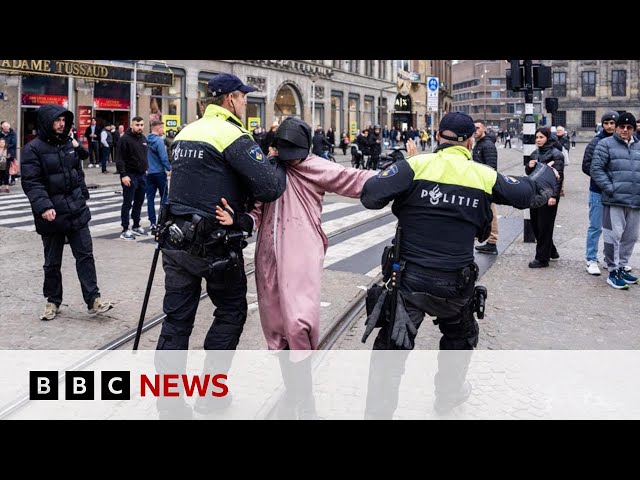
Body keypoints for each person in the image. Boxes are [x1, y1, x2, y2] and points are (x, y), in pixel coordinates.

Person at [360, 112, 558, 352]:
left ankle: (384, 389)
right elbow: (531, 193)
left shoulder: (415, 166)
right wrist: (548, 172)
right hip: (455, 283)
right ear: (470, 142)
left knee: (389, 355)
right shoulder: (483, 175)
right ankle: (450, 390)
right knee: (459, 345)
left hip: (409, 280)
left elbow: (370, 196)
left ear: (437, 136)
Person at [216, 117, 376, 351]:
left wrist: (397, 174)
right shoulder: (268, 170)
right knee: (273, 319)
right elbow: (256, 212)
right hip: (268, 254)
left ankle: (301, 376)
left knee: (299, 320)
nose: (293, 160)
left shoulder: (316, 166)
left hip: (301, 251)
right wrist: (237, 220)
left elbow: (352, 178)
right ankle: (289, 374)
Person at [156, 72, 287, 352]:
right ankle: (212, 393)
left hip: (175, 240)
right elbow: (270, 188)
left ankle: (169, 395)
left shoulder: (186, 132)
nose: (245, 102)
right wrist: (274, 162)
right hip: (215, 244)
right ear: (231, 99)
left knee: (176, 321)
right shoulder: (232, 134)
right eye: (243, 97)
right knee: (231, 311)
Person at [20, 104, 113, 321]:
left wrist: (83, 195)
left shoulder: (68, 144)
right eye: (57, 120)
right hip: (51, 215)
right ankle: (53, 301)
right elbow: (32, 182)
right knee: (52, 262)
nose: (61, 124)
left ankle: (93, 299)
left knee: (85, 256)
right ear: (46, 121)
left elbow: (76, 172)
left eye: (64, 120)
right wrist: (44, 206)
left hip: (76, 211)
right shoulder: (32, 149)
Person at [590, 112, 640, 290]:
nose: (625, 130)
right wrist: (611, 189)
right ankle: (612, 271)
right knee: (613, 236)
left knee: (630, 237)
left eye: (629, 127)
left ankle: (621, 267)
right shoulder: (605, 144)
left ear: (634, 129)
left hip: (635, 201)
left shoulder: (639, 146)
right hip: (614, 200)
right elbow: (596, 169)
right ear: (617, 128)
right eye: (622, 127)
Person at [581, 111, 618, 276]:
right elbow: (586, 165)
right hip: (598, 190)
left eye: (612, 123)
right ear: (602, 125)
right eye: (606, 123)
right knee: (595, 226)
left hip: (617, 191)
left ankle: (609, 259)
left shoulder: (623, 141)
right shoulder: (596, 142)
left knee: (614, 228)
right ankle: (591, 258)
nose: (609, 126)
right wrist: (604, 179)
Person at [525, 127, 565, 267]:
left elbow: (559, 178)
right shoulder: (534, 153)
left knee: (545, 227)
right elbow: (530, 174)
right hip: (535, 194)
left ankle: (542, 259)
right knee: (536, 225)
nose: (538, 140)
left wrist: (554, 196)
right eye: (536, 137)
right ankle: (552, 251)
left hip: (549, 195)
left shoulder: (556, 154)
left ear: (547, 138)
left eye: (541, 137)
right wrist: (529, 166)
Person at [115, 116, 148, 240]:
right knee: (127, 203)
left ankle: (136, 225)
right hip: (130, 175)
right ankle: (125, 229)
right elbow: (119, 159)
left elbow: (144, 156)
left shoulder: (144, 138)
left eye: (141, 125)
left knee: (139, 202)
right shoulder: (125, 139)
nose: (140, 127)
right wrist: (123, 175)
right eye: (137, 125)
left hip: (142, 175)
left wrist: (146, 168)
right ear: (132, 125)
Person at [472, 120, 499, 255]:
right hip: (479, 184)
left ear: (484, 129)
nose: (475, 130)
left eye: (477, 128)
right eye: (473, 128)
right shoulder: (478, 144)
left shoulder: (487, 145)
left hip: (486, 185)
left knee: (491, 212)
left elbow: (491, 167)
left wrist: (486, 185)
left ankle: (492, 242)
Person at [146, 120, 171, 236]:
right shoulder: (159, 141)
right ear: (157, 128)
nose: (164, 130)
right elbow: (164, 157)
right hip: (159, 173)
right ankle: (162, 221)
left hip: (149, 173)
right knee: (164, 198)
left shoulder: (147, 140)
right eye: (162, 128)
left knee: (150, 199)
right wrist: (169, 169)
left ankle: (152, 223)